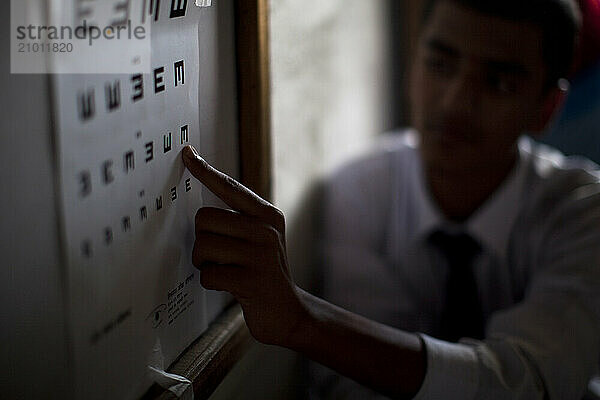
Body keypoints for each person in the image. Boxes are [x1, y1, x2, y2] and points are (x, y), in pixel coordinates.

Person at [181, 0, 600, 398]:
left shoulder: (581, 211)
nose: (455, 103)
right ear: (412, 62)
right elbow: (356, 390)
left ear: (547, 108)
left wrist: (304, 322)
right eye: (439, 64)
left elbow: (533, 383)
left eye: (499, 82)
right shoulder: (362, 191)